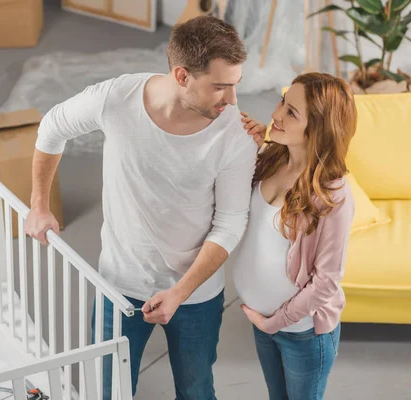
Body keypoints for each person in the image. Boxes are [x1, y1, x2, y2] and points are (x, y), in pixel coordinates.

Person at [25, 15, 258, 400]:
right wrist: (38, 204)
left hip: (195, 294)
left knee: (197, 390)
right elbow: (52, 126)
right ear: (182, 76)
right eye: (220, 87)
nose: (232, 101)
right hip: (119, 283)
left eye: (235, 86)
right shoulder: (117, 98)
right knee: (108, 392)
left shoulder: (235, 133)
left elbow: (230, 223)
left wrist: (180, 293)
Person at [234, 72, 357, 400]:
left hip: (302, 333)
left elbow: (327, 282)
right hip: (262, 323)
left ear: (317, 128)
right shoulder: (272, 159)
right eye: (282, 103)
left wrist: (276, 322)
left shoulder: (333, 195)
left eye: (291, 112)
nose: (275, 114)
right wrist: (259, 141)